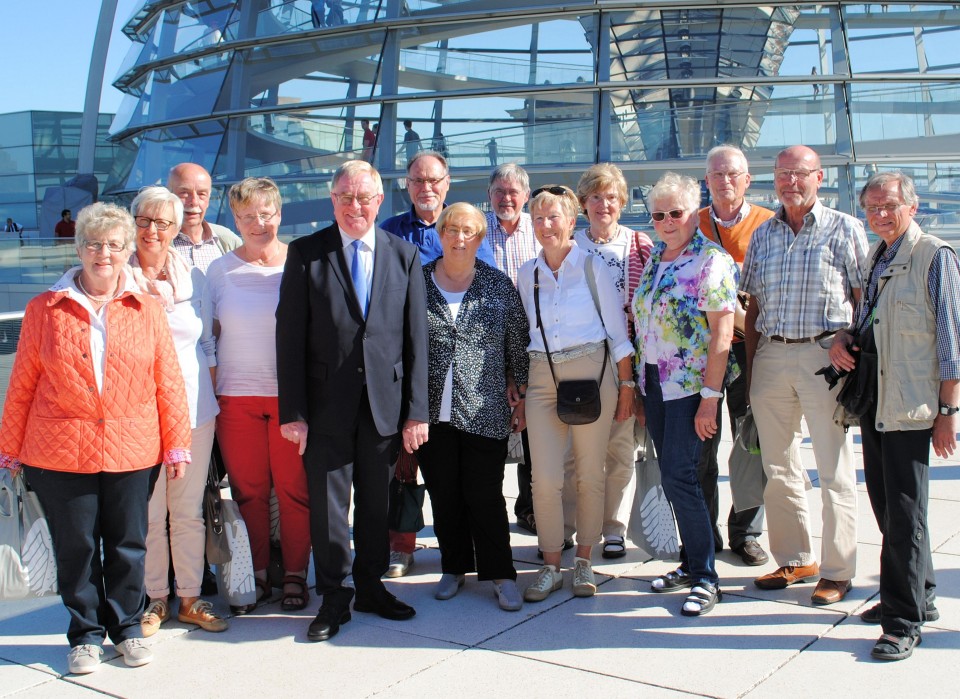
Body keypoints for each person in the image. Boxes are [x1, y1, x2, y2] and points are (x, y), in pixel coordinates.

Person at [0, 202, 191, 674]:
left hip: (132, 445)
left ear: (127, 250)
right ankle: (84, 634)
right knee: (77, 546)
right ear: (79, 247)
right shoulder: (44, 308)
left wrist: (176, 443)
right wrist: (9, 448)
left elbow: (167, 379)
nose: (103, 252)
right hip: (60, 449)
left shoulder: (146, 309)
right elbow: (23, 381)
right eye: (93, 243)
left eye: (113, 244)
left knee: (128, 543)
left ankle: (126, 628)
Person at [276, 159, 429, 643]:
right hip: (325, 409)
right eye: (345, 197)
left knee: (375, 506)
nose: (355, 206)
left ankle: (370, 587)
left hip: (384, 406)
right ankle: (334, 596)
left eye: (364, 198)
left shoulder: (403, 255)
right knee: (328, 508)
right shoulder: (305, 253)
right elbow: (289, 339)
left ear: (380, 201)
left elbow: (416, 341)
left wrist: (417, 411)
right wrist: (294, 413)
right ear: (333, 201)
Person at [829, 171, 960, 660]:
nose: (880, 215)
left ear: (913, 206)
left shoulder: (934, 256)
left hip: (912, 405)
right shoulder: (876, 256)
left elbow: (952, 342)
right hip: (876, 399)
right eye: (872, 208)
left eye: (889, 206)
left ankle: (901, 621)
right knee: (888, 508)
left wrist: (949, 411)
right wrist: (843, 337)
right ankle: (917, 594)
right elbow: (866, 321)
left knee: (906, 514)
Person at [741, 145, 869, 605]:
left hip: (825, 356)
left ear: (819, 177)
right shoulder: (763, 234)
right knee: (779, 467)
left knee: (834, 470)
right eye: (782, 174)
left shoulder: (845, 228)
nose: (790, 182)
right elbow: (752, 306)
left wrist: (848, 337)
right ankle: (796, 558)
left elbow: (864, 299)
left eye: (799, 173)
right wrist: (754, 369)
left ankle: (838, 570)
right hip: (773, 357)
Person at [516, 185, 634, 603]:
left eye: (553, 217)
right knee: (544, 479)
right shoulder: (526, 271)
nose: (545, 226)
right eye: (538, 219)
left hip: (593, 372)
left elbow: (618, 334)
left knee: (588, 474)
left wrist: (626, 387)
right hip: (543, 376)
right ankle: (550, 565)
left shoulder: (592, 267)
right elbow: (525, 332)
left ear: (571, 221)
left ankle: (583, 560)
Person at [380, 150, 494, 576]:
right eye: (417, 181)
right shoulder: (389, 231)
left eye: (434, 181)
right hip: (405, 361)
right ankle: (401, 546)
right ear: (407, 186)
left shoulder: (465, 229)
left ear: (448, 183)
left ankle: (463, 551)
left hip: (459, 367)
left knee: (458, 475)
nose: (426, 188)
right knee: (404, 464)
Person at [203, 177, 312, 613]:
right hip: (236, 400)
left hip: (289, 400)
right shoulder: (219, 271)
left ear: (279, 214)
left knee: (294, 491)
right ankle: (256, 574)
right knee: (248, 492)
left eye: (266, 214)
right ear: (236, 220)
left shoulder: (300, 263)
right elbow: (209, 337)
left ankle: (296, 576)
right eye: (248, 217)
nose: (258, 223)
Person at [632, 173, 737, 616]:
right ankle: (690, 563)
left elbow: (722, 336)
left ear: (694, 213)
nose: (667, 221)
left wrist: (710, 398)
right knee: (673, 472)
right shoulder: (657, 257)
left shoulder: (711, 261)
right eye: (658, 214)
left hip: (691, 387)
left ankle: (707, 576)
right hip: (654, 381)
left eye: (676, 213)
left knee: (680, 474)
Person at [416, 203, 529, 611]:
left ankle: (501, 574)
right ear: (441, 234)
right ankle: (454, 567)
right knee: (444, 494)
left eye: (468, 231)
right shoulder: (418, 282)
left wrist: (521, 392)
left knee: (484, 494)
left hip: (485, 406)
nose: (459, 238)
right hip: (430, 412)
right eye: (452, 229)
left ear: (480, 239)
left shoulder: (497, 285)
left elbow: (517, 341)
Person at [128, 187, 226, 636]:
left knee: (186, 511)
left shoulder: (193, 279)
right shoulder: (119, 280)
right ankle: (155, 600)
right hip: (139, 413)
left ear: (175, 229)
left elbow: (206, 341)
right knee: (149, 514)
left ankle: (189, 597)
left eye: (163, 223)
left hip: (194, 409)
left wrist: (216, 397)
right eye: (144, 221)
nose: (153, 231)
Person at [696, 145, 774, 566]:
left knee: (750, 443)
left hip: (749, 348)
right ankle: (703, 531)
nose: (725, 181)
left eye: (733, 174)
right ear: (706, 181)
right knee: (701, 443)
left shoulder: (768, 224)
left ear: (747, 180)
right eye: (716, 175)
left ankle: (746, 531)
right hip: (700, 352)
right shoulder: (691, 223)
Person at [570, 163, 652, 559]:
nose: (605, 204)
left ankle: (612, 527)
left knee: (620, 447)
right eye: (596, 197)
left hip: (626, 360)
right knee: (576, 448)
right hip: (580, 361)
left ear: (623, 202)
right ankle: (571, 524)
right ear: (584, 203)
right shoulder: (569, 245)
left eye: (612, 197)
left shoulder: (640, 245)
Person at [484, 163, 543, 537]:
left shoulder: (539, 232)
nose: (506, 198)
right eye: (499, 191)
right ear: (489, 195)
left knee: (534, 433)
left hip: (532, 344)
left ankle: (530, 508)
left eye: (513, 192)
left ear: (526, 195)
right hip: (486, 345)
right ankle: (488, 515)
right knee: (490, 435)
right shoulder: (475, 231)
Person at [167, 163, 241, 273]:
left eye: (201, 194)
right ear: (169, 195)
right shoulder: (156, 241)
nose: (194, 202)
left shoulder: (228, 241)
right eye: (184, 193)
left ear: (208, 199)